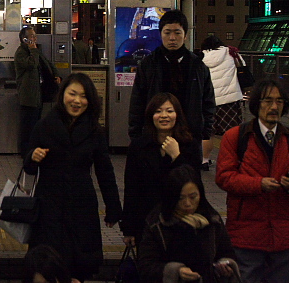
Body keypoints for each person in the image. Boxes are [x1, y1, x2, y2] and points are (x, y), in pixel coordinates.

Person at [24, 72, 121, 282]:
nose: (77, 101)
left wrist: (113, 208)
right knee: (47, 265)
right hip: (48, 206)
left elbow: (105, 171)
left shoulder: (95, 131)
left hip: (81, 206)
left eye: (83, 96)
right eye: (72, 94)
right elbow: (28, 168)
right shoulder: (44, 125)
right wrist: (33, 157)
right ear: (62, 95)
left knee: (78, 267)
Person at [215, 79, 289, 283]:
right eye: (268, 101)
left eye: (279, 101)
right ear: (256, 104)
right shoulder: (236, 136)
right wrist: (258, 184)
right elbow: (224, 177)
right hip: (246, 237)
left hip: (283, 238)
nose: (274, 107)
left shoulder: (286, 138)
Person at [128, 9, 215, 165]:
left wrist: (204, 131)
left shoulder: (197, 66)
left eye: (177, 33)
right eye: (167, 33)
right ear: (160, 34)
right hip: (154, 136)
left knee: (187, 177)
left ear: (185, 35)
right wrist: (136, 134)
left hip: (189, 136)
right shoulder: (149, 64)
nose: (172, 38)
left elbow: (208, 101)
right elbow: (137, 100)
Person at [121, 92, 200, 249]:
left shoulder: (189, 144)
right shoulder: (139, 146)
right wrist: (128, 229)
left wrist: (177, 156)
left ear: (177, 115)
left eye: (169, 111)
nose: (164, 115)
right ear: (151, 116)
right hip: (147, 222)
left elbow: (194, 183)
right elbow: (131, 189)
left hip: (181, 221)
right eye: (158, 111)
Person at [138, 164, 240, 283]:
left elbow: (226, 252)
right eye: (181, 198)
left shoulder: (212, 220)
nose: (187, 203)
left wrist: (225, 266)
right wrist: (176, 271)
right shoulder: (158, 223)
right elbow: (146, 266)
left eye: (193, 197)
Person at [15, 26, 60, 156]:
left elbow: (47, 63)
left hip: (38, 94)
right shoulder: (21, 53)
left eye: (35, 36)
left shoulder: (35, 51)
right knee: (27, 126)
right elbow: (32, 64)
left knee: (35, 124)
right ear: (24, 39)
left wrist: (56, 74)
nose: (34, 38)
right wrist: (33, 50)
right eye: (31, 36)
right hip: (28, 96)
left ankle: (33, 150)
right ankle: (25, 152)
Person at [200, 35, 244, 171]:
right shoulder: (231, 53)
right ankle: (233, 161)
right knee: (232, 133)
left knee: (208, 133)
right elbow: (242, 66)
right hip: (230, 100)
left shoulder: (201, 58)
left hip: (209, 101)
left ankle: (204, 161)